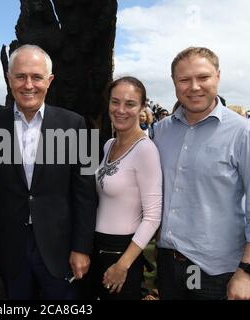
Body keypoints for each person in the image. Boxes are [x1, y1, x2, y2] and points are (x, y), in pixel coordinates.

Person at [0, 44, 97, 300]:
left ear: (49, 81)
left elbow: (86, 194)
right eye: (20, 76)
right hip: (10, 249)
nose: (28, 85)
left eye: (37, 77)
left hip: (61, 248)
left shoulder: (78, 125)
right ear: (9, 79)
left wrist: (82, 247)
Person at [154, 47, 250, 300]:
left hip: (215, 271)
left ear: (217, 76)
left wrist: (248, 271)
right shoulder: (160, 131)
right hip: (167, 262)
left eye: (203, 77)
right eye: (184, 80)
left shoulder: (244, 133)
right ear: (174, 83)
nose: (194, 86)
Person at [89, 76, 162, 300]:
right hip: (97, 247)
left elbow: (152, 216)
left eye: (130, 104)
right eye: (115, 102)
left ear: (142, 107)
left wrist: (123, 264)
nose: (121, 109)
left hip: (122, 252)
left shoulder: (146, 150)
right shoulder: (109, 144)